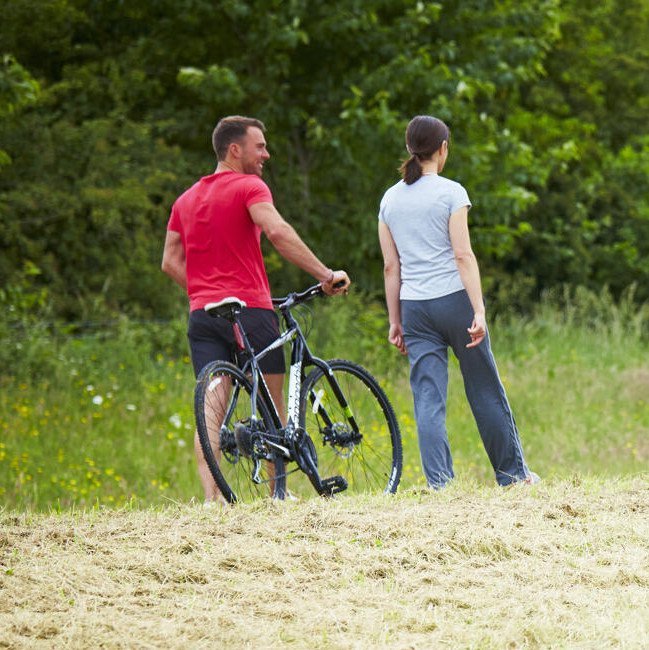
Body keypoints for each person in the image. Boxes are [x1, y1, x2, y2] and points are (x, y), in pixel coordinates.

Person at [161, 115, 349, 503]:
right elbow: (278, 232)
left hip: (204, 315)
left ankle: (213, 502)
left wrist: (202, 292)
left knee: (210, 408)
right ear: (235, 149)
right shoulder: (250, 187)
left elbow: (169, 260)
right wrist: (324, 274)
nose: (266, 153)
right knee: (272, 403)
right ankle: (277, 495)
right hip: (250, 309)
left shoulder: (186, 199)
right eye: (259, 146)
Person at [378, 115, 535, 489]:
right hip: (454, 302)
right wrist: (478, 310)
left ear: (408, 148)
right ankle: (513, 477)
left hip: (414, 309)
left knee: (428, 398)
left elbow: (390, 266)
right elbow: (463, 256)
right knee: (483, 388)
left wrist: (394, 320)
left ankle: (440, 485)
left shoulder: (389, 199)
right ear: (443, 148)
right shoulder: (451, 193)